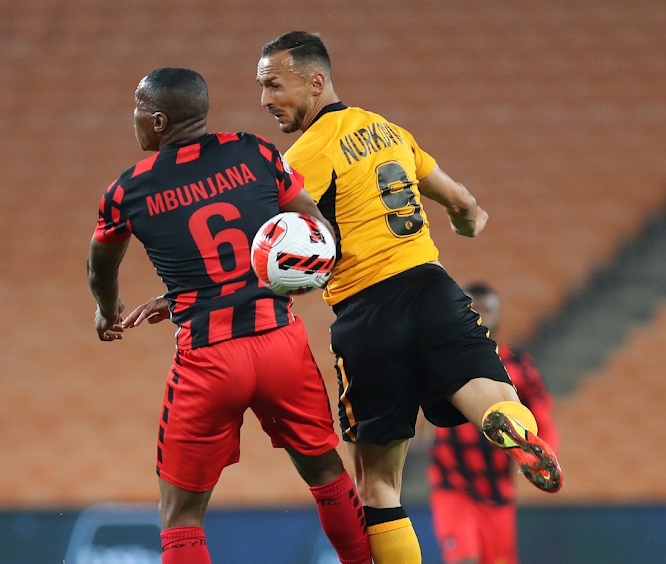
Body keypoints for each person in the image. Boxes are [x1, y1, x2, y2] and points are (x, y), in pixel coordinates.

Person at [255, 31, 563, 564]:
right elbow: (461, 201)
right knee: (487, 391)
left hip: (364, 310)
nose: (265, 100)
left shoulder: (305, 153)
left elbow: (280, 234)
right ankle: (513, 429)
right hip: (432, 288)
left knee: (378, 485)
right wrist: (468, 221)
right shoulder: (390, 132)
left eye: (273, 85)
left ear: (315, 81)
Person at [86, 67, 371, 564]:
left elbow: (100, 266)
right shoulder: (253, 150)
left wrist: (107, 312)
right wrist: (286, 278)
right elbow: (316, 227)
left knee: (180, 517)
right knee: (328, 475)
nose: (130, 114)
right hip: (281, 341)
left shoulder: (128, 189)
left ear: (158, 121)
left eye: (136, 105)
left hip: (209, 358)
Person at [428, 282, 560, 564]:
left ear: (499, 316)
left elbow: (543, 420)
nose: (481, 317)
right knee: (465, 560)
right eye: (473, 309)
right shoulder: (440, 360)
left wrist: (540, 456)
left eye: (487, 310)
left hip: (497, 491)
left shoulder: (519, 368)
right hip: (452, 484)